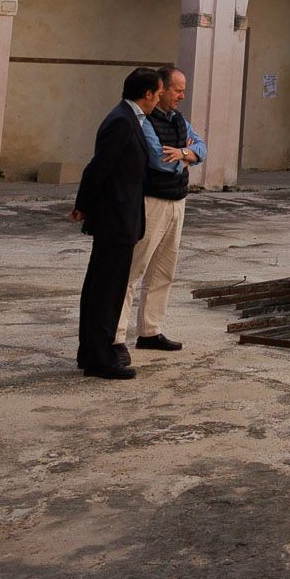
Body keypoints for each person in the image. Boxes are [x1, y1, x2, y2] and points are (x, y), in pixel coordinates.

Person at [68, 66, 161, 380]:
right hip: (115, 218)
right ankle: (100, 358)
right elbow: (98, 168)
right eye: (158, 94)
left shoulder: (128, 117)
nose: (159, 99)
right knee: (106, 290)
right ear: (147, 94)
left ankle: (92, 351)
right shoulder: (122, 121)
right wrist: (83, 205)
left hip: (121, 217)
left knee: (102, 288)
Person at [117, 65, 205, 353]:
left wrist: (182, 153)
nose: (182, 95)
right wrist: (186, 156)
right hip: (152, 201)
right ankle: (116, 335)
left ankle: (150, 331)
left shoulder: (179, 119)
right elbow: (158, 159)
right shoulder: (144, 120)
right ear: (161, 90)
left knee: (164, 269)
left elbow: (202, 147)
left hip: (177, 201)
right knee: (134, 268)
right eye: (178, 90)